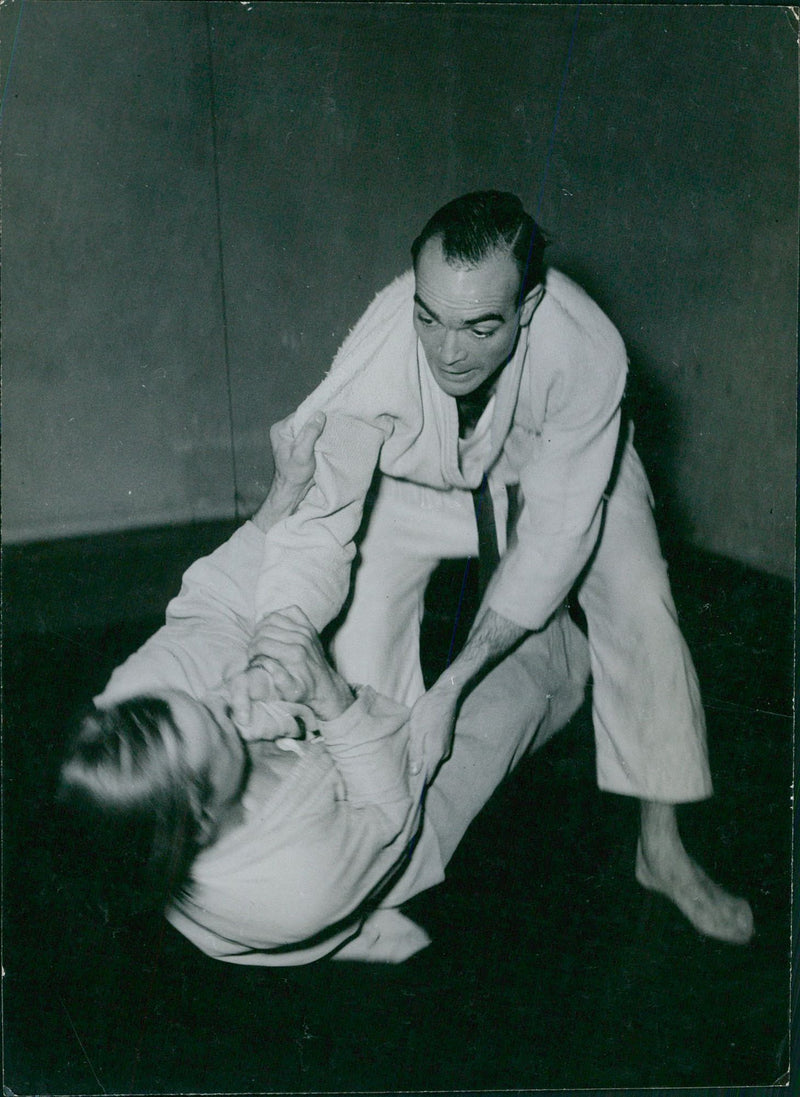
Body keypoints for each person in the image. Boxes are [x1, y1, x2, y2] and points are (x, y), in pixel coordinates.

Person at [235, 191, 753, 944]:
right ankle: (373, 867)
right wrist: (278, 635)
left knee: (638, 596)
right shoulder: (380, 354)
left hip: (564, 460)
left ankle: (661, 847)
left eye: (481, 326)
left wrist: (454, 686)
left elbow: (555, 538)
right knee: (358, 632)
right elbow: (317, 523)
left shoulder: (588, 347)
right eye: (430, 317)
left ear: (530, 304)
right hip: (421, 474)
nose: (449, 352)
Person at [58, 414, 590, 966]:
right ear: (206, 816)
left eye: (198, 700)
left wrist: (285, 490)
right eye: (219, 723)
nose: (217, 698)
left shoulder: (138, 704)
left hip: (291, 795)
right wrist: (330, 696)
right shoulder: (292, 883)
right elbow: (389, 812)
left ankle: (515, 512)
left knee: (363, 537)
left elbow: (217, 606)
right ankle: (345, 927)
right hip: (363, 843)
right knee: (512, 696)